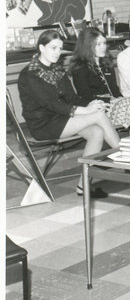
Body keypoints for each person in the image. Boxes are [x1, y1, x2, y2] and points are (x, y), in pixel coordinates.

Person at [17, 30, 120, 198]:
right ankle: (123, 154)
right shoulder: (29, 74)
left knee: (97, 131)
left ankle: (83, 186)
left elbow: (72, 98)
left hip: (62, 118)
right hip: (43, 124)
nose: (57, 52)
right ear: (41, 48)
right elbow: (51, 104)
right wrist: (86, 111)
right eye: (53, 48)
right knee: (98, 116)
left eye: (60, 48)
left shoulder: (57, 70)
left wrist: (92, 104)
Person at [69, 27, 130, 135]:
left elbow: (114, 88)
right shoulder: (80, 68)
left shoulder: (106, 63)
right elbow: (85, 96)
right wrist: (110, 102)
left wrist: (119, 100)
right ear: (87, 46)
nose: (103, 47)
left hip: (113, 105)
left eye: (104, 43)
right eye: (98, 44)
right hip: (98, 108)